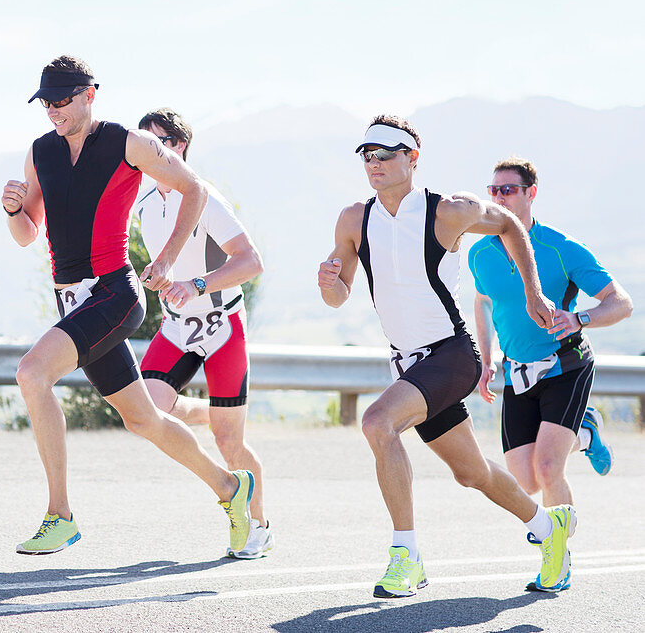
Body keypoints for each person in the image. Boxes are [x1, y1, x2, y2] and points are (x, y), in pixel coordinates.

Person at [1, 55, 253, 556]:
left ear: (89, 94)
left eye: (62, 101)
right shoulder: (39, 153)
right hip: (72, 301)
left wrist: (167, 258)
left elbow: (194, 189)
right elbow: (27, 233)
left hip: (114, 293)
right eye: (45, 103)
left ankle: (60, 515)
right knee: (143, 420)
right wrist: (11, 210)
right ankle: (231, 488)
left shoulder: (127, 142)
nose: (53, 111)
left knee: (32, 373)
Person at [317, 115, 574, 597]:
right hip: (409, 364)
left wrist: (533, 295)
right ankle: (548, 525)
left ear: (412, 159)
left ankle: (405, 556)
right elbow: (339, 296)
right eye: (367, 157)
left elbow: (512, 225)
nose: (374, 165)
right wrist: (331, 284)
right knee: (471, 472)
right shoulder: (355, 218)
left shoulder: (449, 211)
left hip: (453, 355)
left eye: (385, 155)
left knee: (377, 422)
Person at [134, 108, 270, 559]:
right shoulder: (143, 204)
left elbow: (251, 262)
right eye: (145, 142)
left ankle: (260, 525)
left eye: (160, 142)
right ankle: (216, 412)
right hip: (176, 327)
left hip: (222, 326)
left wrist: (196, 285)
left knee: (229, 442)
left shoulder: (205, 197)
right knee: (147, 411)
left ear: (179, 147)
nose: (152, 151)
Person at [469, 157, 632, 529]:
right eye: (493, 190)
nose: (499, 197)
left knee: (547, 469)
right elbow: (483, 302)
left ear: (531, 194)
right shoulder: (481, 252)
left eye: (508, 190)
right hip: (517, 371)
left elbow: (621, 303)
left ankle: (559, 555)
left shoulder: (561, 248)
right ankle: (586, 430)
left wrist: (579, 318)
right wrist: (486, 358)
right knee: (525, 481)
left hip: (566, 364)